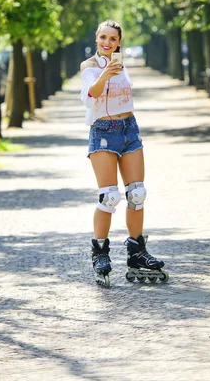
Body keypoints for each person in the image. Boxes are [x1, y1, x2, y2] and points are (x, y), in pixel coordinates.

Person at [80, 19, 169, 287]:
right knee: (109, 196)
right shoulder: (90, 67)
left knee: (137, 193)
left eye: (113, 39)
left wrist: (115, 71)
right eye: (103, 38)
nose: (107, 43)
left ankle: (137, 252)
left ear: (119, 42)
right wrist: (104, 75)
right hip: (103, 132)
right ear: (96, 38)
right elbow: (88, 97)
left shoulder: (122, 64)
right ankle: (100, 253)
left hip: (129, 128)